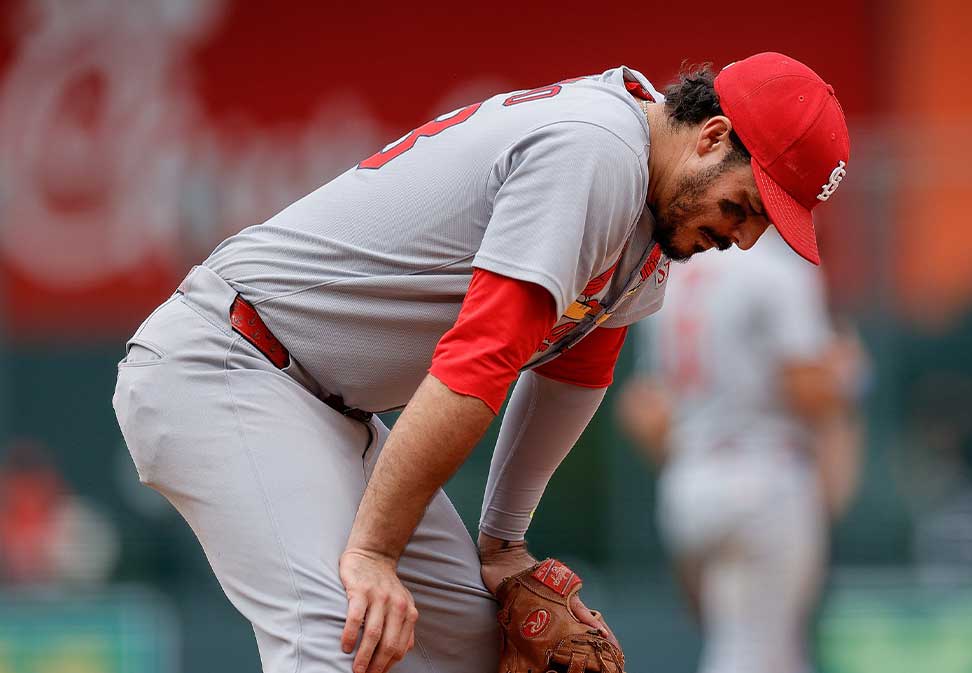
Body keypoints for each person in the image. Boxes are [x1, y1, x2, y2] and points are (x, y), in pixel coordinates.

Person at [112, 52, 851, 673]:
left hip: (332, 411)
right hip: (227, 362)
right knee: (336, 631)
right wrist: (373, 549)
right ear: (712, 136)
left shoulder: (651, 224)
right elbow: (482, 358)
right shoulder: (595, 150)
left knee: (472, 644)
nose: (745, 238)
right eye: (747, 206)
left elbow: (571, 374)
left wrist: (502, 544)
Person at [617, 229, 866, 673]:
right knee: (752, 652)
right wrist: (849, 377)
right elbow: (803, 386)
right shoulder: (777, 267)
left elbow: (645, 409)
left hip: (689, 477)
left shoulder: (675, 269)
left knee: (770, 649)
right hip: (763, 475)